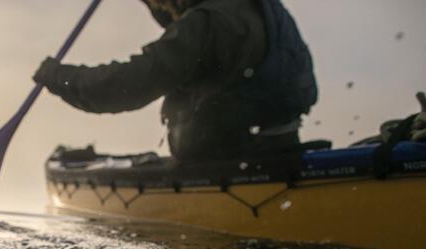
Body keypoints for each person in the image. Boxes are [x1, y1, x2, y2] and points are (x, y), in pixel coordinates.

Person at [33, 0, 318, 162]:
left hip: (222, 161)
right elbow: (176, 19)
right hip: (279, 145)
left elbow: (125, 86)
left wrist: (58, 77)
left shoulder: (206, 25)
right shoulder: (258, 7)